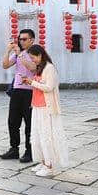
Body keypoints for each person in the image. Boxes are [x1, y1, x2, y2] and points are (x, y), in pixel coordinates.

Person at [21, 45, 69, 177]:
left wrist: (32, 82)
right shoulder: (40, 68)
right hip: (37, 105)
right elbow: (38, 84)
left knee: (46, 136)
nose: (33, 60)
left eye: (33, 57)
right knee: (37, 135)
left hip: (46, 108)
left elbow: (49, 87)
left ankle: (50, 166)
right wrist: (29, 82)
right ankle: (43, 162)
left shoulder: (49, 68)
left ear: (40, 54)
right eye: (31, 58)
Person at [0, 29, 36, 163]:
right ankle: (14, 149)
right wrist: (8, 50)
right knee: (13, 121)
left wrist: (20, 53)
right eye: (20, 39)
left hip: (30, 90)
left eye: (24, 39)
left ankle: (30, 150)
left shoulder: (35, 52)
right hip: (17, 89)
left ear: (31, 40)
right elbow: (5, 65)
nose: (21, 41)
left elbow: (32, 68)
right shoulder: (17, 54)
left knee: (29, 123)